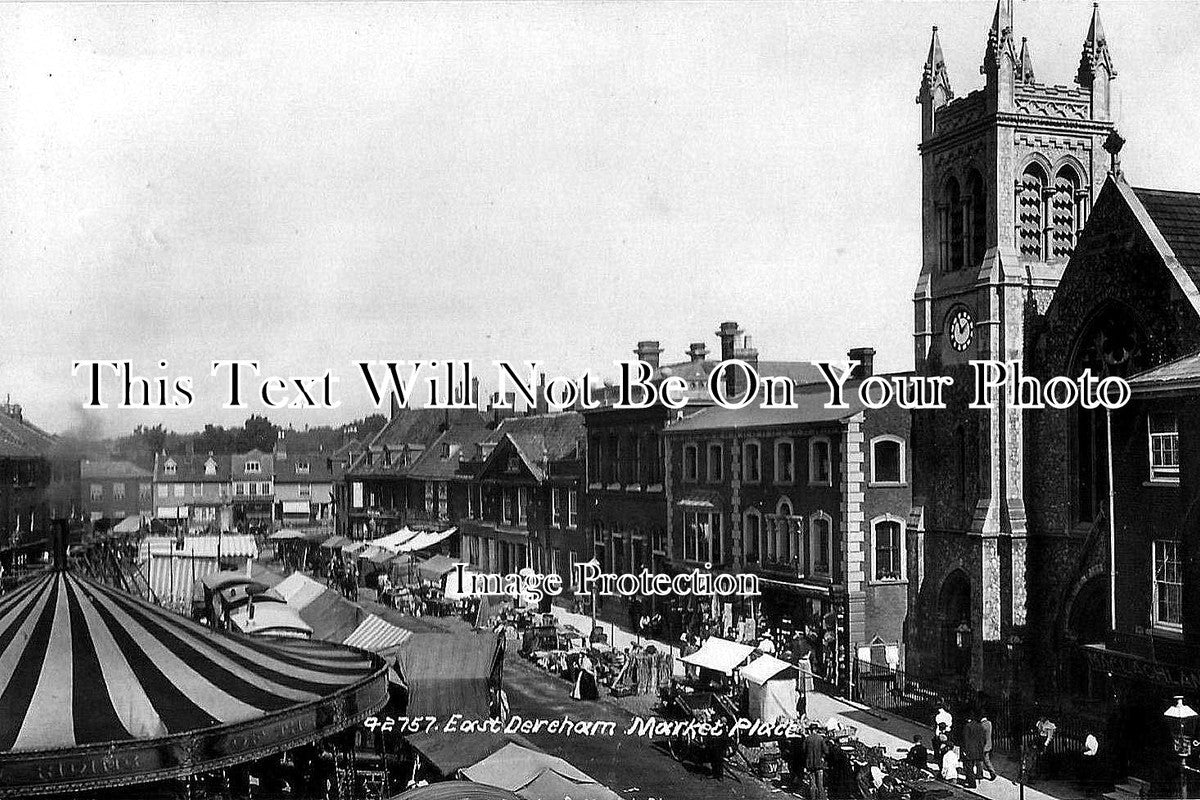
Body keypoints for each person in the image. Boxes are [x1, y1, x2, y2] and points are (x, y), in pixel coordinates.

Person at [803, 725, 830, 800]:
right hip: (819, 764)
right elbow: (826, 751)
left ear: (810, 730)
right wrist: (822, 756)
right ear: (816, 730)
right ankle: (821, 798)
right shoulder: (820, 738)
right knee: (820, 785)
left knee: (812, 784)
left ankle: (813, 798)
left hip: (810, 765)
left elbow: (804, 751)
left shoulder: (807, 739)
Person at [961, 715, 986, 788]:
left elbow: (965, 740)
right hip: (978, 750)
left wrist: (964, 750)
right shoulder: (980, 726)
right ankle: (970, 779)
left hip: (969, 750)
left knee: (969, 767)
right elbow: (982, 739)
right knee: (976, 765)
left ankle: (972, 783)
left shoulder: (967, 726)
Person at [980, 713, 997, 780]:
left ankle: (981, 773)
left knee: (981, 760)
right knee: (986, 760)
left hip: (983, 746)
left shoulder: (982, 725)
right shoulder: (989, 723)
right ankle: (992, 772)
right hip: (989, 744)